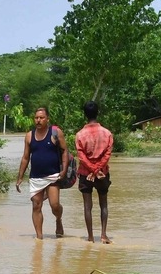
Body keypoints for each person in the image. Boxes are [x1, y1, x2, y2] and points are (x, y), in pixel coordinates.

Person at [13, 106, 68, 239]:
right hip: (35, 177)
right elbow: (26, 157)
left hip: (53, 175)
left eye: (41, 118)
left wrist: (64, 169)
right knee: (36, 206)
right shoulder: (29, 136)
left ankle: (58, 219)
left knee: (54, 205)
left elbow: (64, 150)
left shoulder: (56, 132)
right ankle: (39, 238)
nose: (38, 120)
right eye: (36, 118)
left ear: (47, 119)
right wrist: (20, 177)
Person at [75, 100, 114, 244]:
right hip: (102, 173)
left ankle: (90, 237)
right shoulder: (107, 133)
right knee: (103, 204)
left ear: (85, 114)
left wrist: (92, 170)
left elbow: (81, 157)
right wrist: (98, 170)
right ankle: (103, 235)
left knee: (87, 206)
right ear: (98, 113)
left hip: (86, 174)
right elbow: (107, 155)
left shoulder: (80, 135)